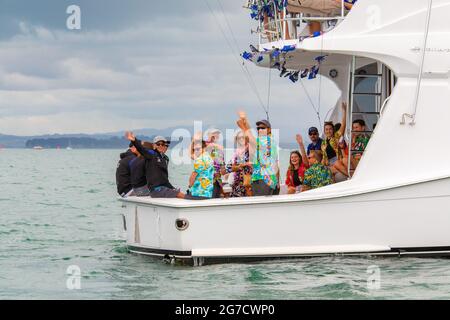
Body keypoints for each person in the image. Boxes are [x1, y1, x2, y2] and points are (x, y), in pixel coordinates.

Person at [125, 132, 186, 199]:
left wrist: (173, 188)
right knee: (179, 194)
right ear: (154, 146)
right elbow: (142, 150)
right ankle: (189, 198)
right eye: (158, 144)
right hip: (155, 190)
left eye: (163, 144)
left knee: (178, 191)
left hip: (162, 188)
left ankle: (189, 198)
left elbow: (165, 180)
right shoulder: (151, 155)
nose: (161, 146)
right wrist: (134, 140)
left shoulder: (164, 159)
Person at [237, 112, 279, 196]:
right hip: (258, 177)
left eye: (263, 128)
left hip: (265, 179)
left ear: (269, 130)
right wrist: (245, 120)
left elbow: (252, 139)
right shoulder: (261, 140)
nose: (260, 130)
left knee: (263, 206)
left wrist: (243, 127)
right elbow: (252, 135)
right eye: (258, 128)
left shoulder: (268, 140)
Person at [321, 102, 348, 177]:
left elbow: (343, 125)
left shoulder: (336, 136)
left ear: (333, 130)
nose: (328, 131)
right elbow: (324, 157)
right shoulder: (323, 143)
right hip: (329, 163)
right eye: (326, 129)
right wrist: (319, 166)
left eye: (330, 129)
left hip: (337, 161)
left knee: (328, 172)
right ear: (324, 131)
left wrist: (344, 111)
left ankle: (350, 176)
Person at [226, 131, 253, 197]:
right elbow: (228, 168)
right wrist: (240, 166)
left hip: (249, 185)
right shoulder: (236, 153)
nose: (241, 139)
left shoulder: (251, 150)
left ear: (247, 138)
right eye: (239, 138)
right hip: (237, 185)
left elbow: (255, 164)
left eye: (243, 137)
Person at [205, 128, 226, 198]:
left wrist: (224, 169)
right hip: (208, 179)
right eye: (214, 134)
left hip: (217, 179)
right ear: (208, 135)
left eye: (217, 134)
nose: (216, 135)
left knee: (216, 197)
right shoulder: (206, 145)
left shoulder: (218, 148)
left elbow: (222, 163)